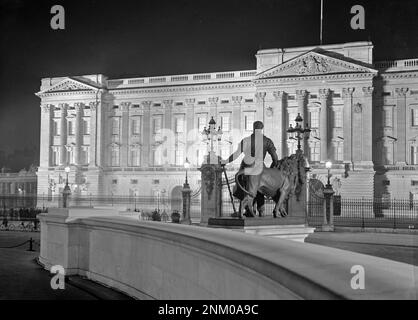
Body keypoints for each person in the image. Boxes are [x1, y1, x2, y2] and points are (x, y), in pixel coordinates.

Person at [221, 121, 279, 216]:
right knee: (260, 188)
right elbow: (275, 158)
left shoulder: (246, 140)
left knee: (244, 186)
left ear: (253, 128)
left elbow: (236, 154)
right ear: (262, 128)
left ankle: (247, 209)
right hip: (260, 166)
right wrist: (272, 169)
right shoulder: (268, 141)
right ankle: (261, 209)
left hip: (247, 166)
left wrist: (225, 161)